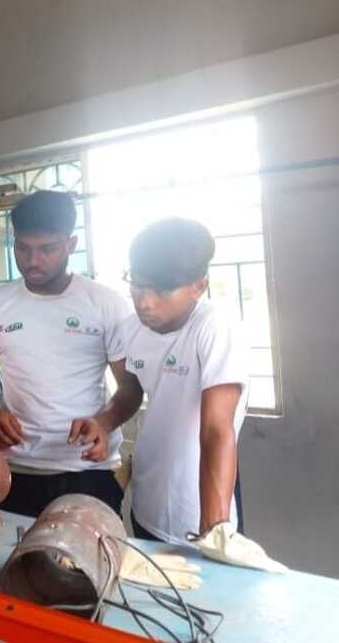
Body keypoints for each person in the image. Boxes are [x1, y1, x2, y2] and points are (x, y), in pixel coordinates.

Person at [0, 190, 143, 518]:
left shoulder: (105, 303)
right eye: (22, 248)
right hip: (15, 467)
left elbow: (131, 387)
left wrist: (103, 423)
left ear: (70, 244)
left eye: (47, 249)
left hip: (87, 469)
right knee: (13, 550)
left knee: (90, 550)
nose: (32, 260)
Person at [83, 218, 251, 544]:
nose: (145, 301)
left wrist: (214, 530)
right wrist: (103, 422)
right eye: (137, 284)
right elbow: (131, 390)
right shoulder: (133, 328)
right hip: (147, 500)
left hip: (199, 513)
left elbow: (217, 430)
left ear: (198, 286)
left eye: (161, 290)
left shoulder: (214, 329)